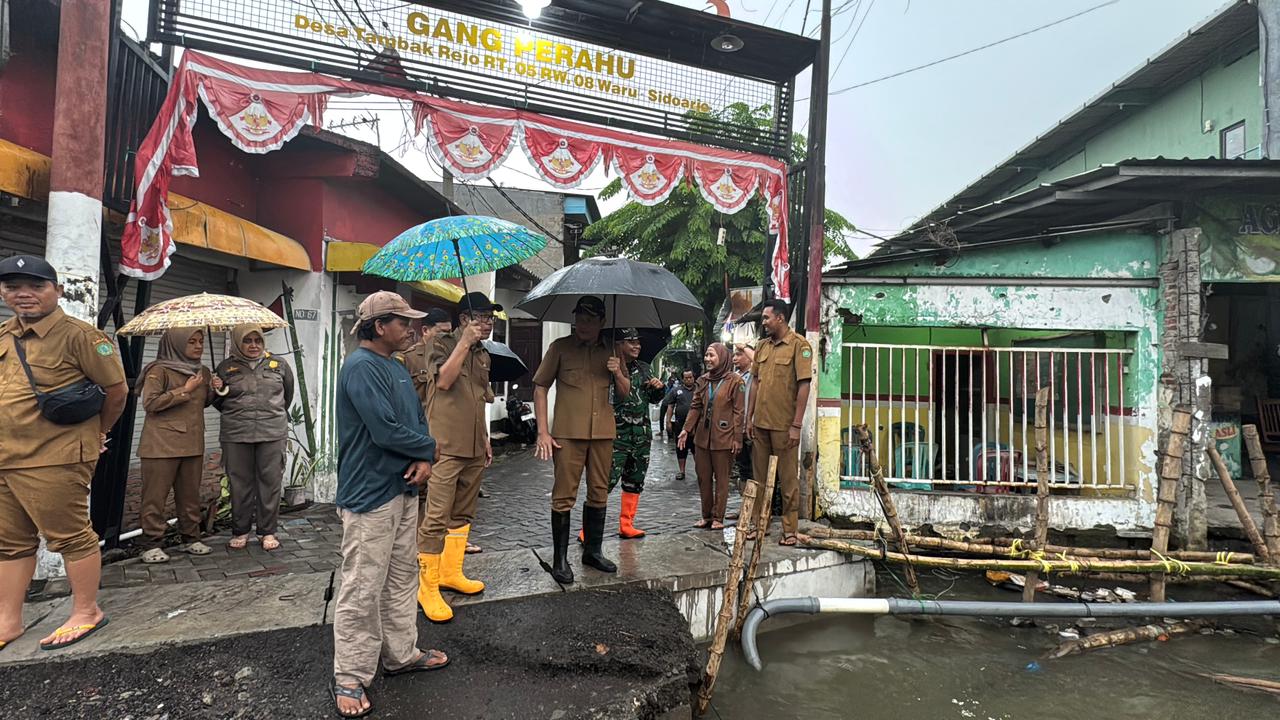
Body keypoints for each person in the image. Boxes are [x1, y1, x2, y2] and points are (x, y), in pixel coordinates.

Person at [0, 255, 127, 651]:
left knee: (69, 536)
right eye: (12, 286)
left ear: (57, 290)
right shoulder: (4, 335)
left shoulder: (81, 336)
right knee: (10, 542)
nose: (23, 294)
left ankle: (86, 610)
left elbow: (118, 391)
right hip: (6, 457)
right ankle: (8, 620)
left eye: (36, 286)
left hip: (55, 455)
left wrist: (99, 433)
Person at [332, 291, 448, 718]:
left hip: (402, 488)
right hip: (370, 494)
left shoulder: (395, 367)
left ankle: (401, 654)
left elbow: (413, 419)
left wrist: (420, 454)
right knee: (363, 585)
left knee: (401, 578)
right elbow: (383, 429)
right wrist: (430, 449)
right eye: (402, 322)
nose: (411, 329)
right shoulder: (360, 367)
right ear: (379, 326)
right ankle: (350, 674)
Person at [532, 296, 630, 584]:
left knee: (599, 492)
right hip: (567, 434)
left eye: (590, 320)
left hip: (603, 433)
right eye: (580, 319)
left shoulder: (613, 349)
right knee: (564, 495)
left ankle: (593, 551)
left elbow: (625, 392)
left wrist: (617, 372)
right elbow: (540, 387)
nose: (583, 325)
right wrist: (543, 432)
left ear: (602, 322)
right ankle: (560, 559)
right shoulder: (560, 348)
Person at [414, 292, 498, 623]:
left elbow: (478, 399)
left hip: (474, 446)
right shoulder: (441, 343)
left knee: (463, 513)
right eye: (483, 316)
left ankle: (451, 572)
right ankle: (428, 587)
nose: (489, 322)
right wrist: (463, 342)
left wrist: (485, 439)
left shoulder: (483, 354)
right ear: (464, 319)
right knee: (436, 516)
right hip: (445, 446)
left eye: (492, 317)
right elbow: (445, 381)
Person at [136, 328, 218, 563]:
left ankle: (191, 538)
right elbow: (151, 403)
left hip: (192, 442)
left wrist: (214, 389)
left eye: (201, 341)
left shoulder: (201, 371)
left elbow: (201, 404)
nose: (198, 346)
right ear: (176, 343)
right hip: (161, 444)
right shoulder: (159, 370)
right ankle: (152, 543)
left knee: (190, 495)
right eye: (191, 342)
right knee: (155, 497)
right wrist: (185, 389)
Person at [213, 325, 295, 552]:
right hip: (236, 432)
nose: (253, 345)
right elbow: (218, 402)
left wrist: (272, 416)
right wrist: (217, 388)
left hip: (272, 432)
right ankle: (240, 531)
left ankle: (267, 531)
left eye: (257, 340)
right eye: (247, 340)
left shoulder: (279, 365)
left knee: (270, 482)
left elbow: (287, 395)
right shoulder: (225, 367)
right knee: (239, 483)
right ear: (237, 342)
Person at [747, 300, 813, 547]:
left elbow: (804, 385)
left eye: (766, 318)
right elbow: (755, 383)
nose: (763, 323)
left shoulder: (799, 346)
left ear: (781, 318)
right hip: (761, 424)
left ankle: (790, 530)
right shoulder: (762, 346)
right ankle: (758, 525)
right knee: (759, 480)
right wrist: (749, 418)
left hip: (785, 426)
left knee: (787, 482)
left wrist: (797, 425)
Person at [594, 327, 665, 540]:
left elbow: (653, 399)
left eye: (638, 342)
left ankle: (627, 524)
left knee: (635, 480)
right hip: (616, 435)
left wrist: (658, 388)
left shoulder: (645, 368)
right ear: (619, 344)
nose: (637, 346)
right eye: (631, 342)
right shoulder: (606, 367)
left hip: (641, 436)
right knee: (604, 481)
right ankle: (589, 529)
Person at [679, 343, 744, 530]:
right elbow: (696, 406)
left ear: (722, 357)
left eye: (712, 355)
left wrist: (737, 438)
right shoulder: (702, 380)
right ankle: (706, 516)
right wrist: (686, 429)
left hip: (724, 438)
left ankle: (718, 517)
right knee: (703, 477)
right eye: (706, 355)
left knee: (722, 479)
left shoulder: (736, 381)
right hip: (702, 438)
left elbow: (739, 412)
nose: (708, 359)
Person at [729, 343, 756, 521]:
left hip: (753, 428)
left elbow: (759, 361)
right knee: (744, 471)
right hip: (739, 430)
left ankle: (756, 512)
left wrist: (745, 346)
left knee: (756, 472)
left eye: (739, 354)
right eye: (734, 355)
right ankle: (744, 508)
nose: (735, 358)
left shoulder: (755, 375)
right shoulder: (735, 377)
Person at [660, 369, 697, 480]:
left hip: (696, 425)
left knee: (697, 449)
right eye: (686, 378)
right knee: (681, 448)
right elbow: (670, 406)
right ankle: (682, 471)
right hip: (680, 425)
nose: (688, 379)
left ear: (693, 377)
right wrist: (668, 421)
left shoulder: (699, 390)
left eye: (690, 377)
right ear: (683, 379)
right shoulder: (676, 391)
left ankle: (700, 471)